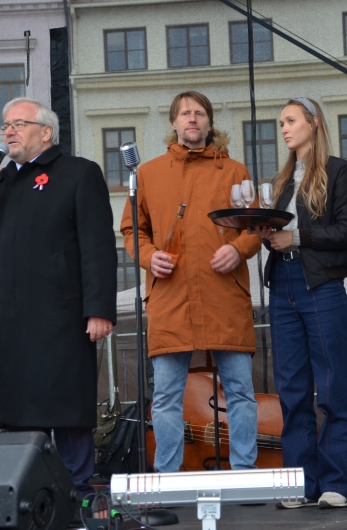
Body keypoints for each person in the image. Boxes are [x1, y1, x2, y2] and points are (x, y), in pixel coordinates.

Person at [0, 98, 117, 523]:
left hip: (61, 315)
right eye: (5, 125)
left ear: (46, 132)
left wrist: (99, 308)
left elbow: (98, 246)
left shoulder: (79, 173)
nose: (8, 131)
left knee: (65, 406)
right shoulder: (1, 180)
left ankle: (79, 495)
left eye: (18, 124)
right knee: (17, 412)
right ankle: (30, 496)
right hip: (8, 318)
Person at [120, 91, 261, 473]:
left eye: (199, 113)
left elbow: (256, 226)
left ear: (210, 122)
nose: (192, 118)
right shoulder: (148, 173)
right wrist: (149, 257)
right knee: (166, 395)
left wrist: (238, 250)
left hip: (224, 296)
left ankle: (244, 474)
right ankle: (167, 476)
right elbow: (132, 230)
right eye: (185, 113)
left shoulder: (235, 171)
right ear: (173, 123)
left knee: (240, 392)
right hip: (171, 299)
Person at [252, 97, 347, 509]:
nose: (283, 128)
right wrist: (264, 232)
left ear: (313, 123)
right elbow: (277, 234)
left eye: (291, 120)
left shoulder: (339, 171)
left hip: (321, 285)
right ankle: (300, 483)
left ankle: (335, 483)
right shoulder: (281, 180)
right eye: (281, 122)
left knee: (333, 386)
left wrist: (295, 237)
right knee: (292, 390)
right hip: (282, 284)